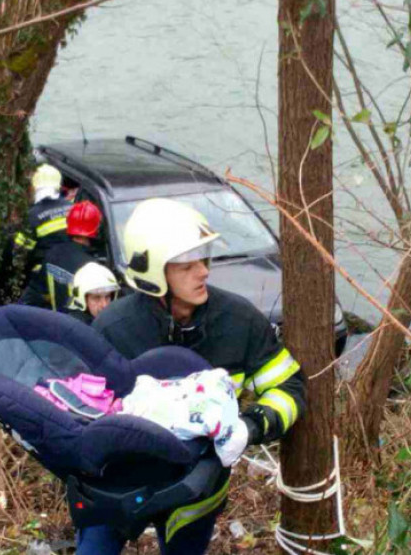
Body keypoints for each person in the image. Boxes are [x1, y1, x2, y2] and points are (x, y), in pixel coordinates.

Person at [84, 198, 307, 555]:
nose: (203, 271)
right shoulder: (113, 330)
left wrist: (250, 427)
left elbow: (289, 387)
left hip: (194, 488)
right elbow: (82, 409)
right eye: (187, 265)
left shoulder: (239, 321)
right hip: (118, 484)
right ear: (155, 274)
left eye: (203, 259)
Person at [0, 164, 71, 304]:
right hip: (71, 273)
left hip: (43, 281)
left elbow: (18, 254)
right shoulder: (71, 207)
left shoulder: (32, 217)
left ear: (34, 187)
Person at [20, 200, 103, 311]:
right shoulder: (91, 267)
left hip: (56, 321)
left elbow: (33, 294)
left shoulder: (52, 254)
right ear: (96, 230)